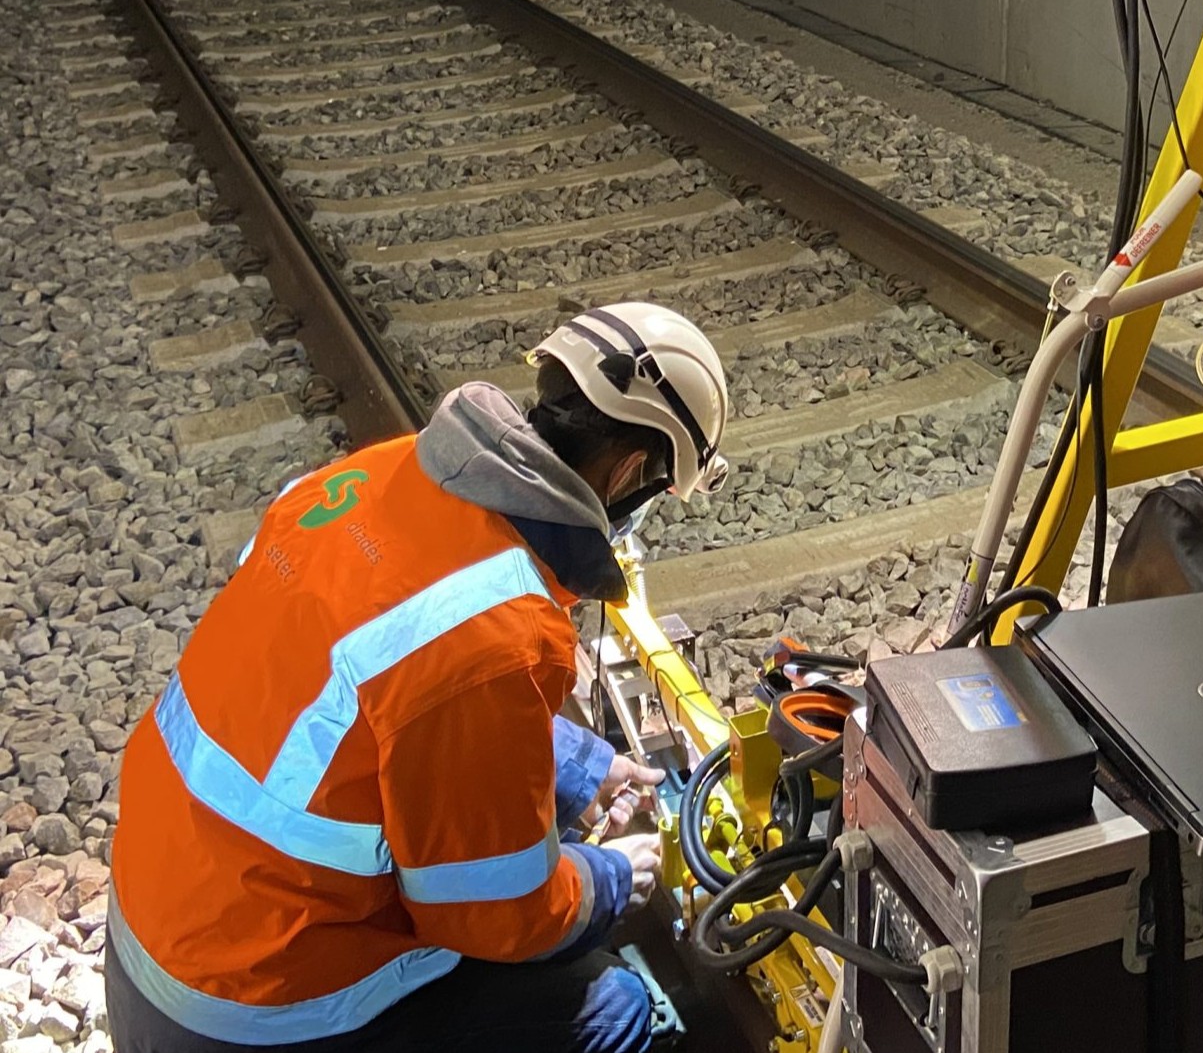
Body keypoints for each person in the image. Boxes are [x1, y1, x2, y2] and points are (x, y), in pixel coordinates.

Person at [105, 303, 734, 1053]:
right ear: (630, 471)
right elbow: (496, 916)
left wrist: (581, 767)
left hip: (155, 932)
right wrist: (607, 880)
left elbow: (389, 691)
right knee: (617, 1009)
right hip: (253, 1011)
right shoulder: (501, 636)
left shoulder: (377, 474)